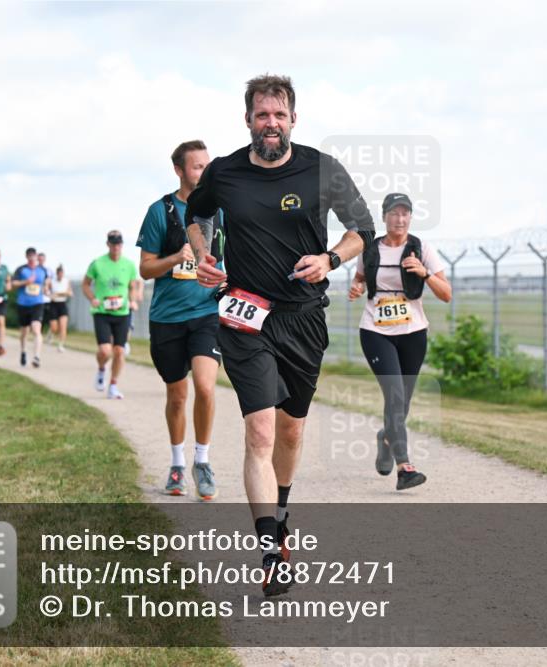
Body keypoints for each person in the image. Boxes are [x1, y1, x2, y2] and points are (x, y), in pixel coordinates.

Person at [186, 74, 375, 595]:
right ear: (247, 119)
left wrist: (331, 258)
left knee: (291, 432)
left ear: (294, 119)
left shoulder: (321, 168)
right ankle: (269, 548)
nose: (271, 123)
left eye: (279, 114)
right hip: (244, 315)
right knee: (261, 432)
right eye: (262, 114)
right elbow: (195, 215)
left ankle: (281, 510)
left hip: (304, 317)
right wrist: (203, 254)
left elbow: (363, 228)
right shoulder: (223, 172)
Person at [137, 139, 223, 500]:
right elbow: (145, 269)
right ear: (179, 170)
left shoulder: (220, 211)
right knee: (177, 395)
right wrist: (175, 258)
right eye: (197, 167)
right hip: (167, 318)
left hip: (206, 312)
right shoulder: (161, 211)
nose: (203, 172)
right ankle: (177, 463)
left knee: (205, 387)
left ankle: (202, 461)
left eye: (207, 165)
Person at [348, 193, 451, 490]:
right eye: (394, 213)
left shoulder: (421, 248)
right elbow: (360, 280)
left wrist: (425, 272)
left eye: (405, 213)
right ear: (384, 217)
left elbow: (446, 294)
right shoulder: (370, 249)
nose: (400, 219)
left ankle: (387, 438)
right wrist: (356, 288)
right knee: (393, 395)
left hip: (414, 333)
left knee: (402, 403)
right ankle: (405, 466)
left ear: (410, 217)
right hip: (376, 331)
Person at [82, 230, 141, 399]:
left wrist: (133, 299)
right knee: (105, 351)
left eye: (119, 244)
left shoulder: (129, 265)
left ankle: (113, 386)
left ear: (122, 245)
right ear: (108, 244)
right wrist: (92, 298)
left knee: (120, 351)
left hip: (122, 313)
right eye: (113, 244)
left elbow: (132, 286)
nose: (116, 247)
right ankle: (101, 370)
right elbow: (86, 285)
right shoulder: (97, 264)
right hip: (102, 312)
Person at [11, 247, 47, 368]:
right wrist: (25, 282)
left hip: (37, 303)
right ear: (26, 257)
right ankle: (23, 351)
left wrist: (46, 288)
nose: (32, 258)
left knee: (36, 329)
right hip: (23, 304)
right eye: (29, 256)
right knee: (24, 332)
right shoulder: (21, 270)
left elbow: (46, 282)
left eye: (34, 256)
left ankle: (36, 357)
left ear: (36, 257)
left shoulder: (42, 270)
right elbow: (13, 283)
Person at [48, 265, 72, 352]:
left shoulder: (66, 281)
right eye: (59, 274)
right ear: (57, 274)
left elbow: (70, 293)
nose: (60, 275)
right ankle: (51, 332)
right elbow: (48, 292)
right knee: (55, 327)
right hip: (53, 304)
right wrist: (50, 295)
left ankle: (61, 345)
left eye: (62, 274)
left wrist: (58, 294)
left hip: (62, 304)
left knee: (63, 326)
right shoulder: (52, 281)